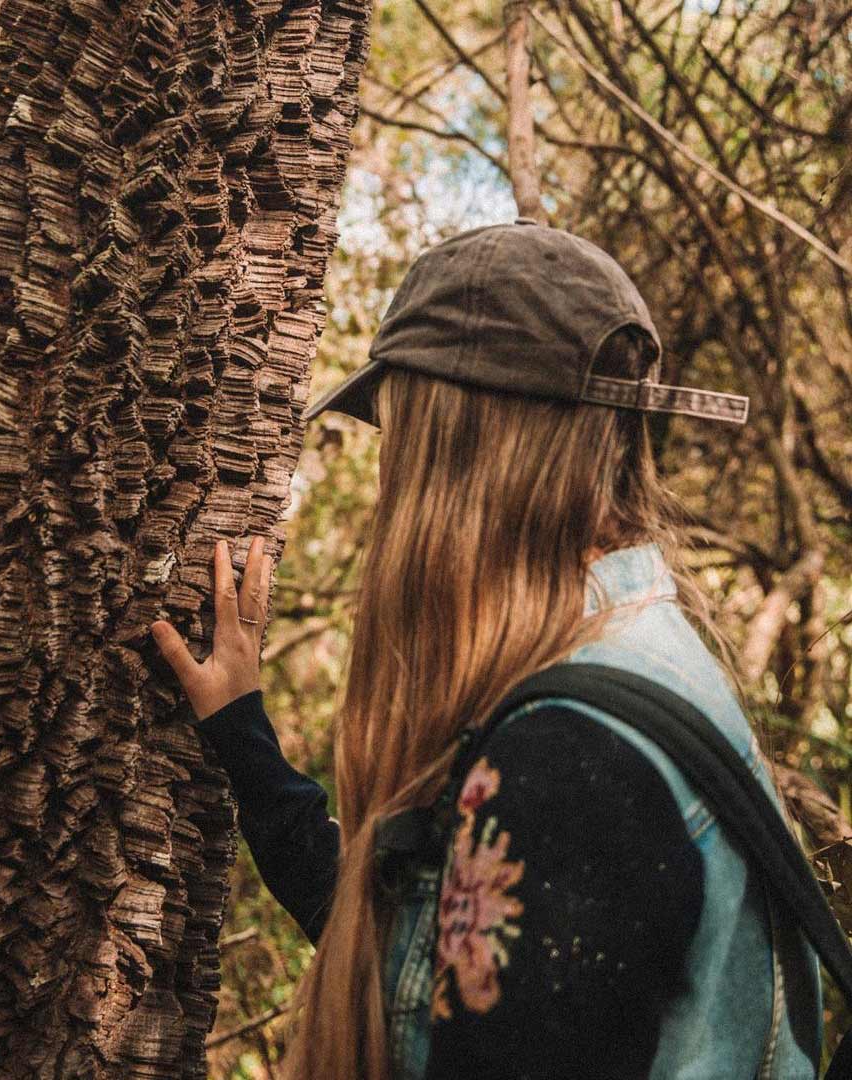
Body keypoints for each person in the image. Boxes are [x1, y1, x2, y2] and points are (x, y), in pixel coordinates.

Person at [150, 221, 823, 1079]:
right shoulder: (641, 649)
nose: (390, 483)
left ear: (458, 455)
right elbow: (442, 979)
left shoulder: (573, 761)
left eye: (401, 441)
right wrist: (244, 737)